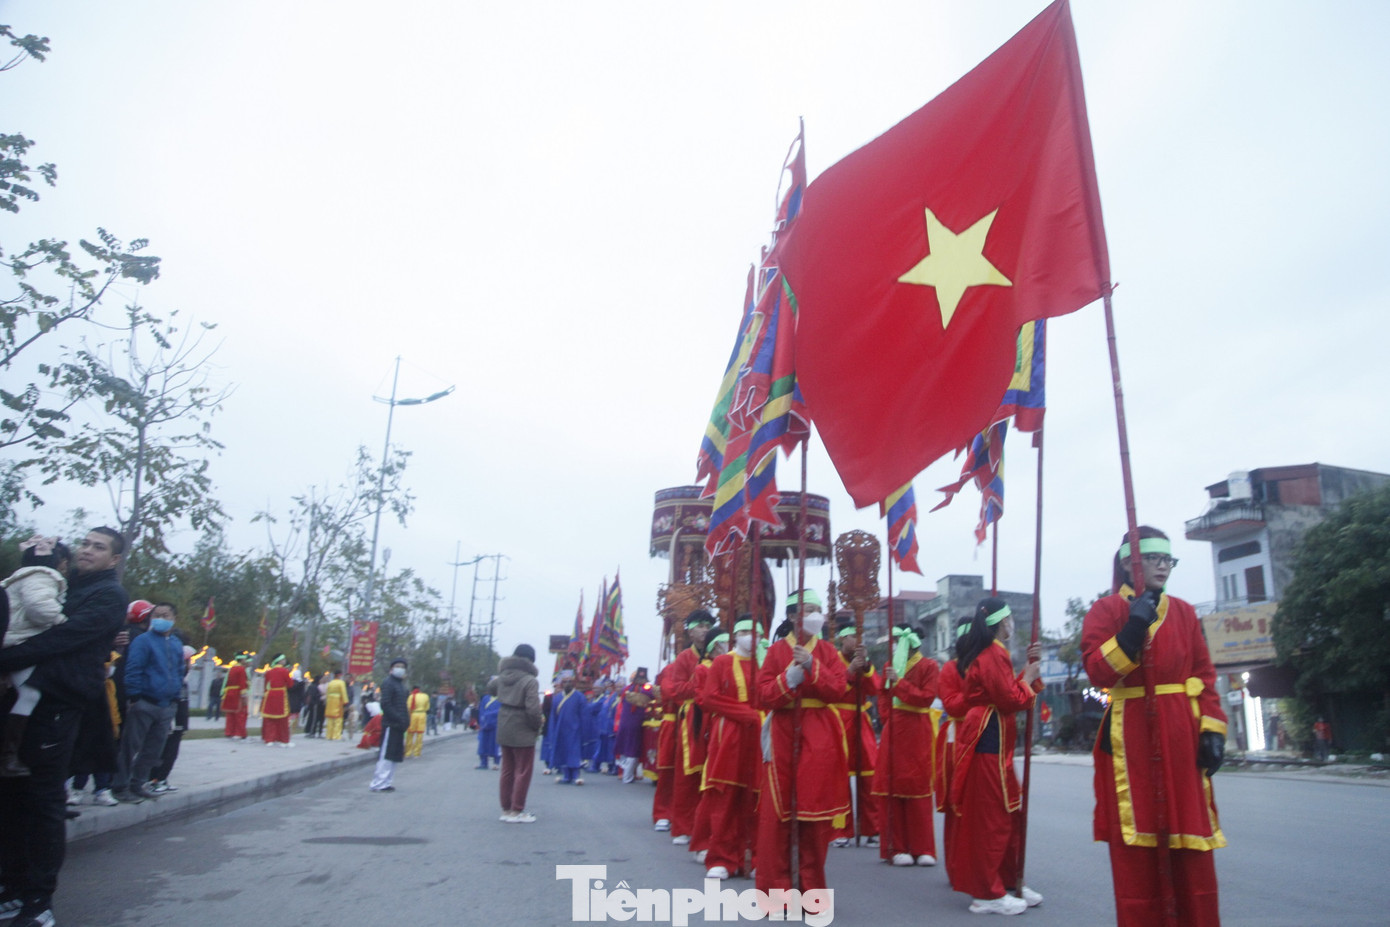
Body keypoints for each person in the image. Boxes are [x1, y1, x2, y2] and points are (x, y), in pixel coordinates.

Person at [1082, 528, 1226, 927]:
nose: (1164, 566)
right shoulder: (1105, 611)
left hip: (1182, 731)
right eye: (1155, 558)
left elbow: (1204, 673)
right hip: (1130, 738)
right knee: (1137, 851)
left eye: (1169, 560)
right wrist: (1132, 628)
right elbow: (1098, 674)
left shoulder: (1184, 611)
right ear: (1130, 562)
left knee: (1191, 845)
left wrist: (1212, 729)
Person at [0, 527, 128, 927]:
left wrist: (6, 659)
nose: (88, 551)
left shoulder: (109, 596)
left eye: (99, 547)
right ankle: (12, 889)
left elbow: (63, 638)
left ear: (114, 559)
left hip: (58, 702)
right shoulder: (63, 586)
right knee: (12, 797)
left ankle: (39, 904)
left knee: (43, 801)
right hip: (24, 703)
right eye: (85, 544)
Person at [755, 589, 850, 901]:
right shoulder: (775, 652)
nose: (814, 615)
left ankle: (811, 890)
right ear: (794, 615)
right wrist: (789, 679)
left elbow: (838, 689)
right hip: (783, 733)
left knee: (813, 816)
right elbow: (763, 695)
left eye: (817, 609)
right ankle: (777, 891)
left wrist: (812, 666)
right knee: (778, 815)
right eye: (808, 609)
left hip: (819, 737)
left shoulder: (827, 650)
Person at [949, 597, 1042, 916]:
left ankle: (1008, 882)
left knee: (1006, 814)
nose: (1012, 624)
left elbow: (1008, 693)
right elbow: (1008, 698)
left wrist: (1028, 673)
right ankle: (987, 894)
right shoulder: (991, 655)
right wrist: (1027, 680)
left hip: (996, 739)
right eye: (1010, 619)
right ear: (1002, 623)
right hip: (988, 739)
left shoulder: (994, 654)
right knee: (993, 819)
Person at [0, 536, 71, 777]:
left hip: (11, 638)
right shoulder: (41, 576)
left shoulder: (21, 575)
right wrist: (61, 620)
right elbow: (39, 607)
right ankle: (8, 754)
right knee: (29, 693)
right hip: (20, 640)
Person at [694, 623, 760, 880]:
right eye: (746, 632)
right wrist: (747, 714)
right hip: (729, 736)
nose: (752, 638)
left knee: (756, 799)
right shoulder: (722, 662)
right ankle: (721, 858)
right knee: (725, 798)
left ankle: (752, 857)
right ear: (736, 635)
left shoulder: (763, 662)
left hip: (758, 734)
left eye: (757, 634)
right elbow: (710, 698)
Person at [874, 622, 940, 867]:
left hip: (918, 728)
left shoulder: (929, 666)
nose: (891, 647)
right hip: (895, 728)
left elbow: (926, 697)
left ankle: (923, 848)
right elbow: (882, 694)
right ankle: (896, 846)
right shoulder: (889, 666)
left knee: (919, 787)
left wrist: (899, 684)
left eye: (895, 642)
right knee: (892, 785)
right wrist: (887, 717)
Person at [111, 595, 184, 803]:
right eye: (156, 615)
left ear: (174, 618)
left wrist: (175, 697)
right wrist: (135, 696)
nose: (160, 618)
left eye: (165, 615)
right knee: (130, 747)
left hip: (167, 704)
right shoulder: (143, 641)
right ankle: (120, 786)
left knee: (153, 750)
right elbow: (134, 669)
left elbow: (179, 671)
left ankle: (138, 783)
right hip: (144, 702)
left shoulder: (176, 644)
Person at [830, 613, 880, 848]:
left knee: (869, 774)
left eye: (857, 637)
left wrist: (867, 666)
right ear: (841, 639)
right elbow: (834, 687)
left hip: (861, 719)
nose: (854, 642)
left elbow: (875, 689)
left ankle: (871, 828)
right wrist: (850, 668)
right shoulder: (833, 658)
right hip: (839, 719)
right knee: (838, 775)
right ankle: (841, 829)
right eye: (850, 637)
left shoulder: (863, 659)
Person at [665, 609, 714, 843]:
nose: (704, 630)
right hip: (692, 714)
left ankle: (708, 827)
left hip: (714, 714)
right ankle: (683, 827)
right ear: (690, 630)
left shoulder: (719, 654)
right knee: (687, 773)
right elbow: (677, 689)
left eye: (708, 625)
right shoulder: (685, 657)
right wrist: (702, 683)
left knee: (712, 772)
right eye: (700, 626)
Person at [935, 618, 972, 883]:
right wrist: (978, 686)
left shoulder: (991, 661)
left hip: (988, 736)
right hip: (957, 739)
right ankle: (958, 867)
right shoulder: (950, 669)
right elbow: (953, 705)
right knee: (957, 806)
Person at [495, 644, 542, 822]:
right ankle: (517, 810)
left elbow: (491, 688)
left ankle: (506, 810)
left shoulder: (502, 677)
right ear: (530, 661)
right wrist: (536, 726)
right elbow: (532, 709)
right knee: (523, 771)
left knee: (507, 770)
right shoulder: (530, 680)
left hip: (504, 725)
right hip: (522, 728)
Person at [369, 659, 410, 792]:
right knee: (386, 755)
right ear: (391, 669)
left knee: (394, 755)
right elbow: (385, 704)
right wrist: (398, 718)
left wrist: (405, 721)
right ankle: (378, 783)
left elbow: (403, 706)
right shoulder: (388, 683)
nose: (400, 668)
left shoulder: (401, 685)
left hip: (399, 725)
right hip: (391, 724)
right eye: (397, 666)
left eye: (402, 667)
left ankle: (386, 782)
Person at [546, 672, 585, 785]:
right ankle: (566, 775)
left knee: (574, 751)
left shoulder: (579, 697)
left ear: (573, 683)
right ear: (562, 683)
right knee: (563, 751)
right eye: (565, 681)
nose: (567, 683)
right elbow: (553, 716)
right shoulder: (557, 698)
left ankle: (576, 775)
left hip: (575, 729)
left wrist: (583, 730)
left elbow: (584, 715)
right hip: (561, 730)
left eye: (569, 681)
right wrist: (552, 730)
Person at [614, 668, 652, 784]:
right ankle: (627, 777)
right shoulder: (646, 690)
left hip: (625, 723)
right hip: (635, 724)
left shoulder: (627, 689)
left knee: (625, 748)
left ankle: (625, 773)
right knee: (632, 750)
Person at [260, 654, 294, 747]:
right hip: (280, 695)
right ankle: (283, 740)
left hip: (270, 695)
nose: (284, 661)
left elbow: (266, 685)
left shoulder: (269, 672)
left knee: (270, 718)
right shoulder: (284, 671)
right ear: (279, 661)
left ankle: (269, 739)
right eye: (283, 659)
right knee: (282, 719)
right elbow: (290, 684)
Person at [221, 653, 251, 739]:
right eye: (245, 659)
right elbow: (242, 683)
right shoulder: (241, 669)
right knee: (240, 714)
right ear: (241, 660)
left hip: (230, 692)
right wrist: (244, 695)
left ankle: (229, 732)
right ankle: (239, 733)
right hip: (238, 693)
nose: (246, 661)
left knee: (230, 714)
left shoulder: (232, 668)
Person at [477, 683, 501, 769]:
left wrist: (488, 715)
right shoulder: (485, 698)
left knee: (496, 744)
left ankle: (496, 762)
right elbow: (481, 711)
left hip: (496, 725)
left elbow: (501, 711)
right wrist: (482, 721)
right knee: (483, 744)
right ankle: (483, 763)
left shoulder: (502, 699)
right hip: (485, 725)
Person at [405, 686, 429, 758]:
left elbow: (408, 707)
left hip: (413, 715)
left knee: (410, 734)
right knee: (419, 734)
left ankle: (408, 752)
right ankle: (417, 753)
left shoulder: (411, 696)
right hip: (422, 715)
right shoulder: (425, 696)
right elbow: (427, 707)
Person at [324, 670, 348, 740]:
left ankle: (329, 735)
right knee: (338, 719)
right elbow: (343, 692)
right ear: (339, 675)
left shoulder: (330, 683)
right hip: (338, 701)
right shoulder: (341, 683)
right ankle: (336, 736)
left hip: (330, 702)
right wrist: (345, 702)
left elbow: (327, 692)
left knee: (330, 719)